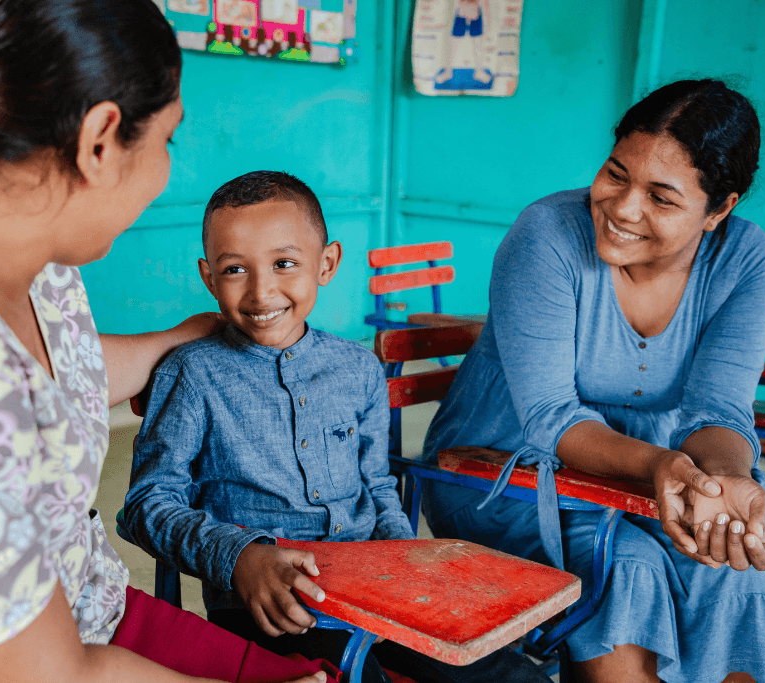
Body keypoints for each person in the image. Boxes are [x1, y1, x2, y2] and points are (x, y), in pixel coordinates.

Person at [0, 2, 337, 682]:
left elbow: (53, 370)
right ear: (100, 140)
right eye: (167, 142)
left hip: (90, 601)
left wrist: (175, 339)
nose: (165, 174)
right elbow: (46, 675)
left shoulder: (28, 241)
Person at [420, 78, 765, 683]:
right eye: (616, 174)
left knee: (727, 563)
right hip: (501, 471)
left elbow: (719, 412)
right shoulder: (545, 236)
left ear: (719, 209)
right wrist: (660, 466)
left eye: (662, 197)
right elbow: (550, 418)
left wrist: (725, 481)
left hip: (654, 474)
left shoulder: (747, 260)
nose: (623, 208)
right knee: (629, 565)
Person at [123, 171, 550, 683]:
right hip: (272, 604)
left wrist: (406, 560)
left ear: (326, 264)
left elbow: (376, 485)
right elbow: (146, 506)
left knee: (511, 675)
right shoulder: (193, 373)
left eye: (285, 263)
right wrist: (242, 559)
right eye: (235, 269)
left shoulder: (357, 368)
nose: (262, 291)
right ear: (209, 278)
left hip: (380, 586)